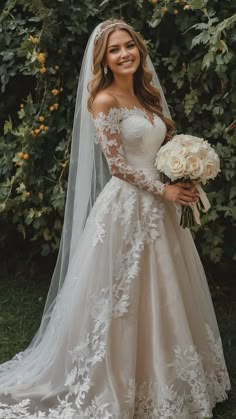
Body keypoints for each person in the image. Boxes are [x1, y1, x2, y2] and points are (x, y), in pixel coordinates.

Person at [0, 19, 231, 419]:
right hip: (128, 206)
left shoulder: (148, 94)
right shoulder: (105, 100)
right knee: (122, 297)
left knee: (169, 290)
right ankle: (118, 378)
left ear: (139, 50)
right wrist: (166, 190)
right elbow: (119, 166)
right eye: (114, 49)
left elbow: (160, 148)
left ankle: (172, 376)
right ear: (103, 59)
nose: (124, 54)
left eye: (129, 46)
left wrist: (183, 173)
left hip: (162, 205)